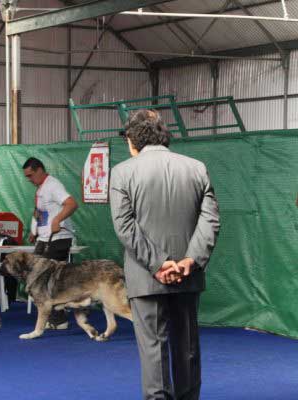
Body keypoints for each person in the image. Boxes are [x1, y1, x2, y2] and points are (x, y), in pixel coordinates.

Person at [109, 109, 220, 400]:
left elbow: (125, 227)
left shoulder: (122, 172)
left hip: (146, 278)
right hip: (188, 275)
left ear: (132, 140)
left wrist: (158, 264)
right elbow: (210, 222)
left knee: (154, 351)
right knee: (187, 348)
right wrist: (189, 261)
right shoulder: (197, 168)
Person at [22, 157, 78, 330]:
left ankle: (59, 319)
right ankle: (53, 317)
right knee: (38, 278)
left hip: (58, 239)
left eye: (31, 176)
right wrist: (34, 230)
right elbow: (39, 211)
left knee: (50, 280)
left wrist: (58, 220)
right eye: (27, 177)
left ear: (40, 170)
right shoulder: (40, 189)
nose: (29, 180)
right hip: (44, 238)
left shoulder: (53, 185)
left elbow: (72, 204)